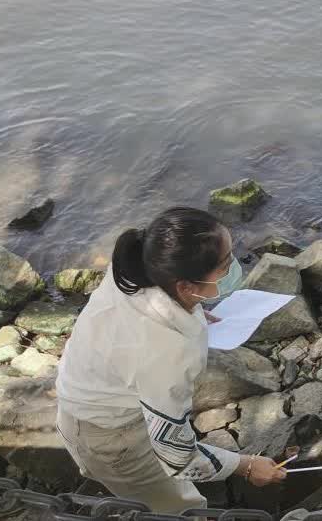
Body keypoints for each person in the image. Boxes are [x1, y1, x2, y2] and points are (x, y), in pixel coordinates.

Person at [55, 207, 286, 513]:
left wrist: (193, 308)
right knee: (179, 510)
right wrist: (246, 466)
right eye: (225, 265)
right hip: (112, 438)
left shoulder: (135, 267)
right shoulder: (168, 352)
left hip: (85, 398)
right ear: (185, 286)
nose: (234, 267)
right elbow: (178, 455)